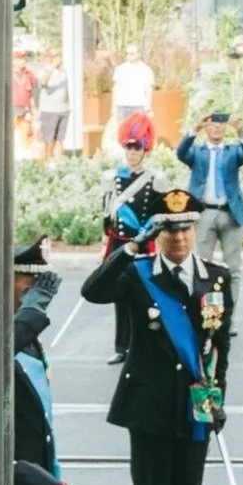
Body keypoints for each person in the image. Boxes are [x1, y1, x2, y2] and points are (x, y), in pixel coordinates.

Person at [80, 184, 232, 485]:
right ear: (157, 234)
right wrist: (129, 247)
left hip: (194, 410)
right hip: (148, 409)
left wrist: (218, 398)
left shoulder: (215, 278)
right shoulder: (137, 273)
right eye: (169, 231)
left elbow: (220, 346)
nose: (179, 239)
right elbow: (93, 290)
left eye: (185, 229)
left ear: (195, 228)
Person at [103, 111, 164, 364]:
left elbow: (159, 214)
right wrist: (104, 245)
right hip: (119, 242)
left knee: (144, 295)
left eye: (137, 147)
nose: (132, 152)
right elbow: (106, 215)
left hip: (143, 242)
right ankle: (121, 347)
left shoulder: (155, 179)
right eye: (129, 147)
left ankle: (143, 346)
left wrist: (147, 236)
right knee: (120, 294)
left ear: (145, 149)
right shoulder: (112, 178)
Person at [177, 113, 243, 310]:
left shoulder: (233, 151)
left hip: (231, 214)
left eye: (221, 124)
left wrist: (241, 131)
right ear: (206, 128)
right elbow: (181, 152)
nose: (217, 128)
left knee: (233, 270)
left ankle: (229, 317)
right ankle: (206, 314)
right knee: (202, 267)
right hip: (204, 213)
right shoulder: (197, 152)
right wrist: (194, 130)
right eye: (212, 124)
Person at [13, 237, 63, 475]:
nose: (32, 290)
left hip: (36, 460)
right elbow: (2, 353)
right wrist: (31, 310)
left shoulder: (30, 335)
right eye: (27, 281)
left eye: (38, 283)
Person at [33, 58, 70, 160]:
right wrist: (52, 68)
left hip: (63, 109)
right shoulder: (44, 70)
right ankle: (45, 162)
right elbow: (43, 83)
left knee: (59, 139)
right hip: (49, 110)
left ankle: (59, 163)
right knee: (47, 139)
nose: (60, 60)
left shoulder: (64, 72)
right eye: (57, 57)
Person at [111, 47, 154, 127]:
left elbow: (149, 89)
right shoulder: (120, 69)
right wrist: (113, 106)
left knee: (137, 131)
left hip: (138, 105)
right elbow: (115, 87)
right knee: (122, 131)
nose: (129, 56)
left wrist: (148, 106)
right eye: (127, 53)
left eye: (132, 54)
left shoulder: (146, 70)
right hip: (122, 105)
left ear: (138, 54)